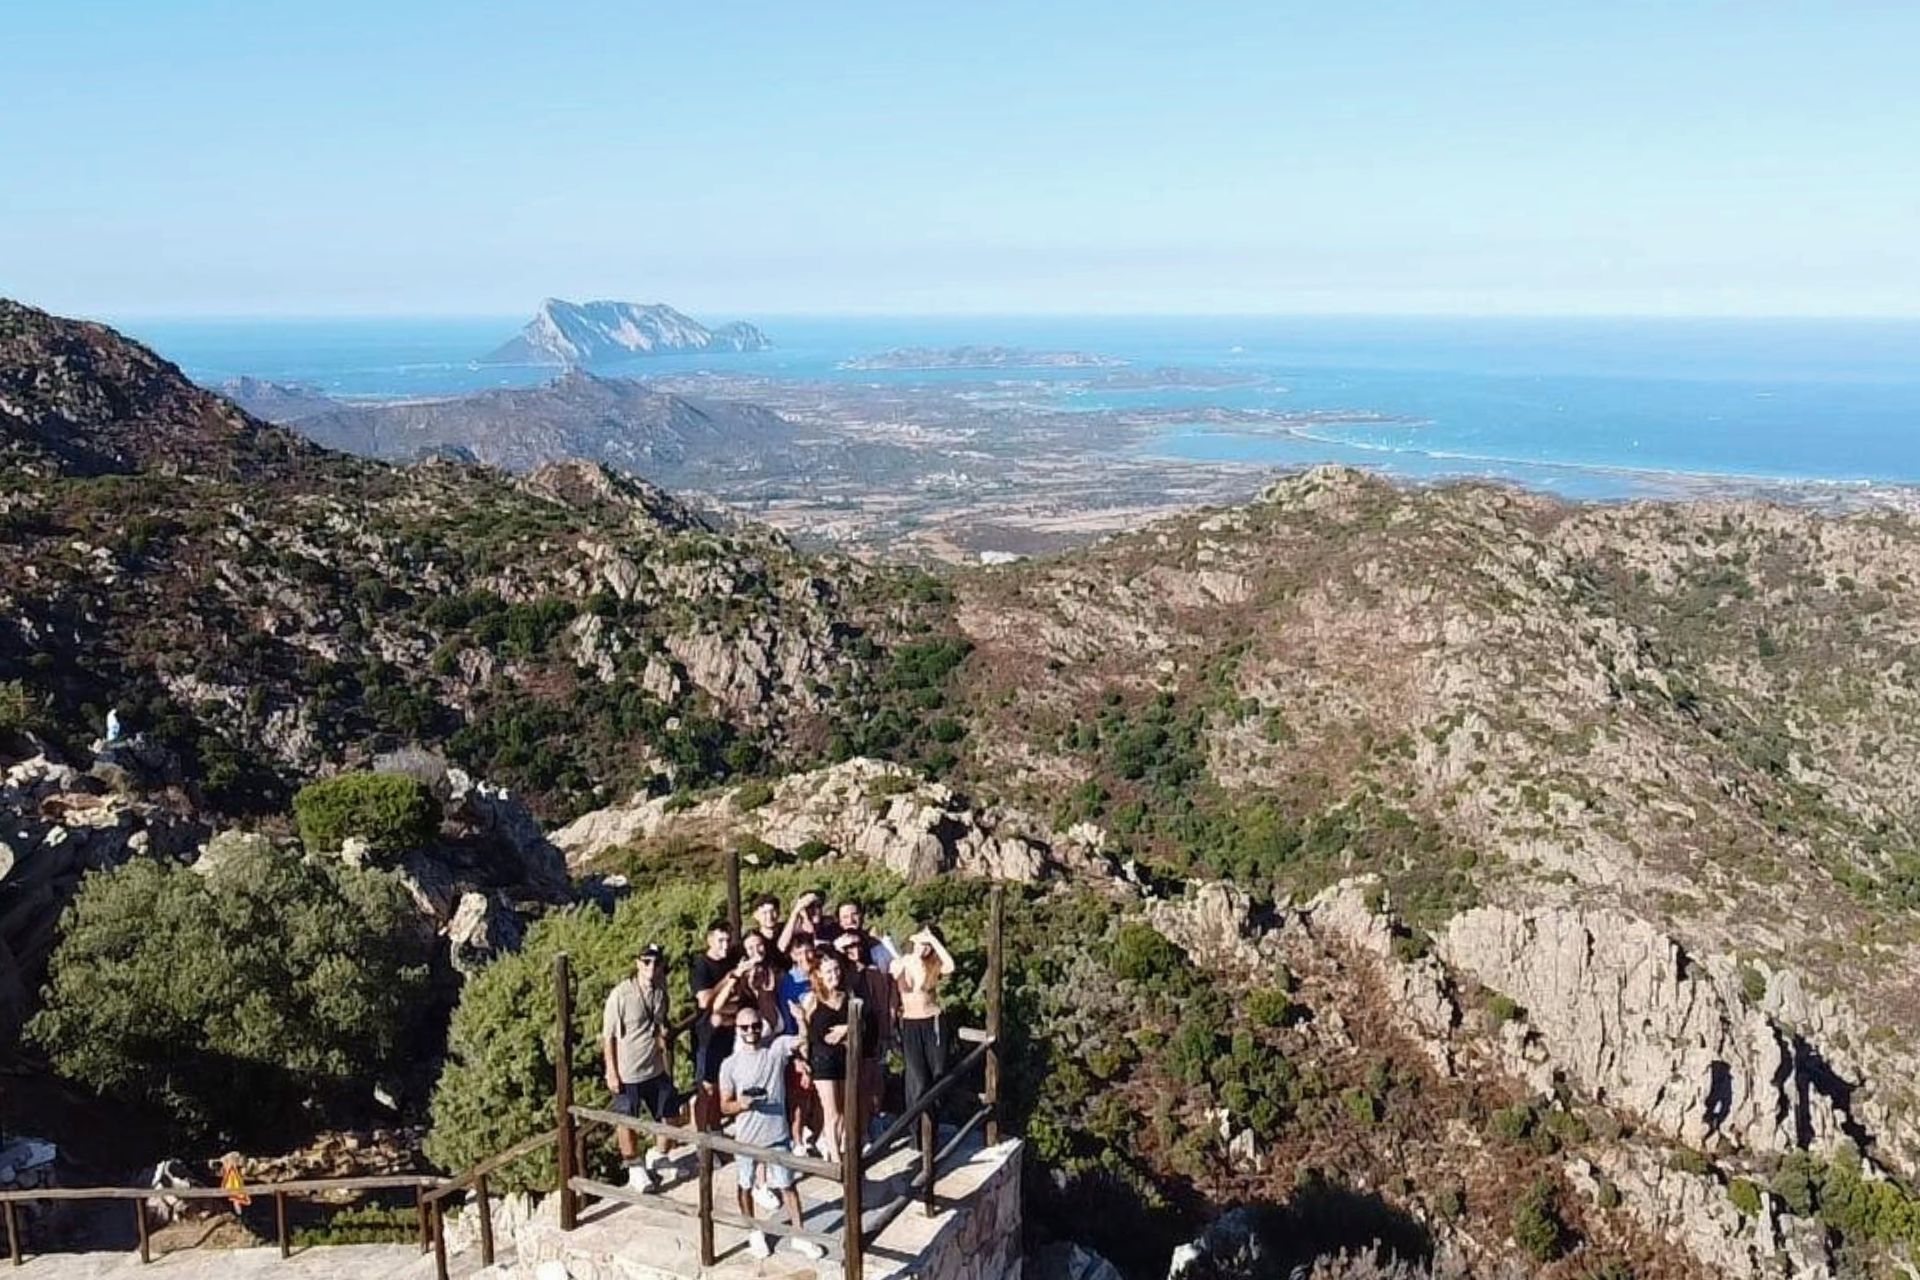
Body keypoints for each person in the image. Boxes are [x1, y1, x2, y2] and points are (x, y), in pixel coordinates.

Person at [718, 1008, 826, 1260]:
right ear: (737, 1029)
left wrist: (801, 1019)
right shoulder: (730, 1065)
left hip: (776, 1134)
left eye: (755, 1026)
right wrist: (741, 1104)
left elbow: (801, 1041)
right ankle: (753, 1232)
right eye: (745, 1027)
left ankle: (799, 1234)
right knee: (745, 1185)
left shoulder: (775, 1051)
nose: (751, 1031)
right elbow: (724, 1105)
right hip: (746, 1137)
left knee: (788, 1186)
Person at [602, 943, 676, 1190]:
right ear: (637, 963)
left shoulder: (660, 992)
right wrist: (611, 1071)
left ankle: (657, 1155)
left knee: (669, 1115)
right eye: (646, 962)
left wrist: (662, 1036)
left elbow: (660, 1022)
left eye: (655, 962)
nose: (651, 967)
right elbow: (608, 1036)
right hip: (628, 1072)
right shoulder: (620, 996)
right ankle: (634, 1167)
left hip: (654, 1067)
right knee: (627, 1121)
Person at [800, 951, 875, 1161]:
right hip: (822, 1059)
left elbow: (863, 1023)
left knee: (844, 1108)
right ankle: (835, 1157)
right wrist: (804, 1061)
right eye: (828, 972)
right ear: (819, 975)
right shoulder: (812, 999)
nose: (834, 975)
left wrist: (846, 1029)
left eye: (836, 970)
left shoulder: (848, 995)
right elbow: (805, 1033)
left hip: (844, 1056)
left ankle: (838, 1148)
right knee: (831, 1111)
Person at [829, 931, 893, 1135]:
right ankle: (852, 1129)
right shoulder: (841, 974)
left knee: (870, 1080)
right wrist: (838, 946)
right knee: (849, 1085)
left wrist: (886, 1033)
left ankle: (867, 1125)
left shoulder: (873, 973)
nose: (854, 951)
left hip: (870, 1029)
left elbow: (883, 1005)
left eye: (858, 946)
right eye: (849, 948)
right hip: (847, 1033)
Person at [891, 926, 956, 1116]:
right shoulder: (905, 962)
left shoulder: (933, 965)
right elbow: (902, 982)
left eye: (928, 945)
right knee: (917, 1078)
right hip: (911, 1023)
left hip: (932, 1021)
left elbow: (950, 966)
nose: (924, 948)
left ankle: (932, 1128)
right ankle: (915, 1126)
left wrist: (933, 940)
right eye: (921, 943)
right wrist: (909, 958)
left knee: (937, 1074)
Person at [690, 921, 739, 1131]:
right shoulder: (700, 965)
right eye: (720, 940)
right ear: (709, 940)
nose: (725, 945)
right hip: (707, 1035)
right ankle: (702, 1137)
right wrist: (728, 980)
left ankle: (716, 1129)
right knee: (706, 1087)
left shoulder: (733, 958)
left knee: (724, 1083)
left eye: (728, 940)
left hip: (730, 1029)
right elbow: (704, 1000)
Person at [778, 937, 824, 1155]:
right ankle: (796, 1140)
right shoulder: (788, 982)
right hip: (799, 1043)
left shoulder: (820, 974)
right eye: (799, 952)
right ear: (792, 956)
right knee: (800, 1096)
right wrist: (796, 1056)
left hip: (821, 1040)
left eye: (808, 951)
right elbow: (788, 1021)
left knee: (819, 1094)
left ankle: (816, 1135)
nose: (805, 957)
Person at [749, 893, 789, 969]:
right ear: (756, 915)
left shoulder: (787, 931)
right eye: (764, 913)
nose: (769, 916)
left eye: (772, 911)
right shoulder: (753, 939)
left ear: (778, 912)